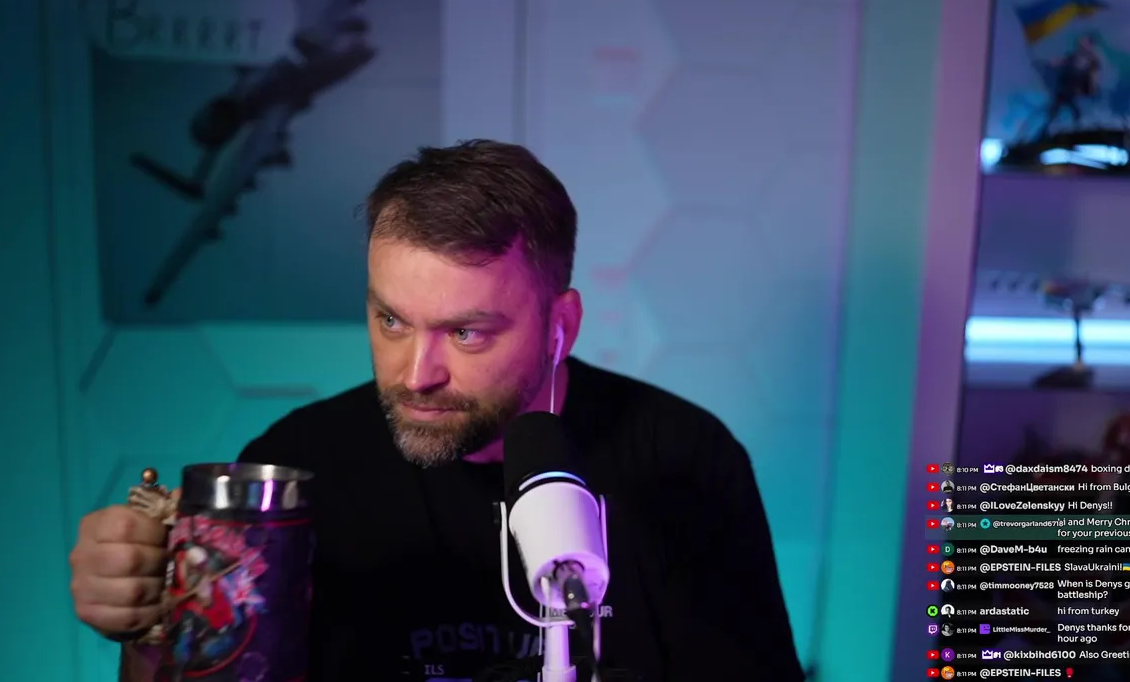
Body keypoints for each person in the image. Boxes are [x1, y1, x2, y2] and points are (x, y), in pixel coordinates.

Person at [68, 140, 805, 681]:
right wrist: (151, 625)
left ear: (561, 326)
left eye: (466, 333)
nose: (416, 375)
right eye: (391, 321)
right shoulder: (296, 466)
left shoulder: (685, 460)